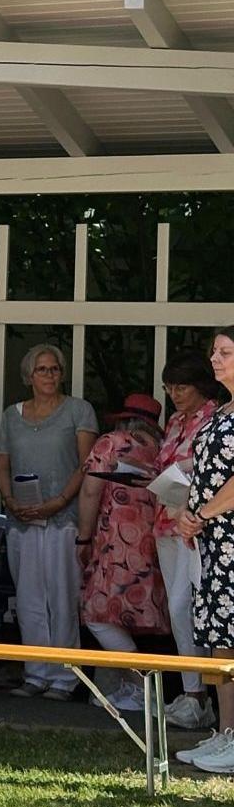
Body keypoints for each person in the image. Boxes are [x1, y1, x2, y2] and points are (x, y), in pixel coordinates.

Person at [0, 343, 97, 700]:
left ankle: (66, 678)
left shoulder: (78, 411)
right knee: (28, 599)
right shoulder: (11, 415)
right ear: (28, 376)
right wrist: (9, 500)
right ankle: (35, 673)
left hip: (64, 518)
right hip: (22, 519)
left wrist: (58, 502)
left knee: (62, 597)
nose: (49, 375)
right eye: (42, 369)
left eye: (54, 369)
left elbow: (87, 465)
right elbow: (2, 464)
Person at [75, 395, 167, 713]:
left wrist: (83, 539)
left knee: (95, 613)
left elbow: (90, 490)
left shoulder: (111, 443)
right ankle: (135, 688)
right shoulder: (161, 449)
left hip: (114, 543)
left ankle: (140, 686)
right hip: (151, 543)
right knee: (124, 615)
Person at [153, 354, 223, 730]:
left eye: (181, 386)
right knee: (178, 609)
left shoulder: (215, 417)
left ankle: (202, 696)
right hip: (167, 521)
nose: (174, 394)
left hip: (198, 524)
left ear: (200, 385)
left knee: (189, 606)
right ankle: (190, 692)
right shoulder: (176, 421)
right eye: (169, 387)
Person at [175, 328, 234, 773]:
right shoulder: (222, 410)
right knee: (218, 637)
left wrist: (203, 513)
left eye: (225, 352)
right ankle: (225, 733)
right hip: (213, 538)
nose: (214, 359)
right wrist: (188, 512)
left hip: (227, 534)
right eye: (213, 351)